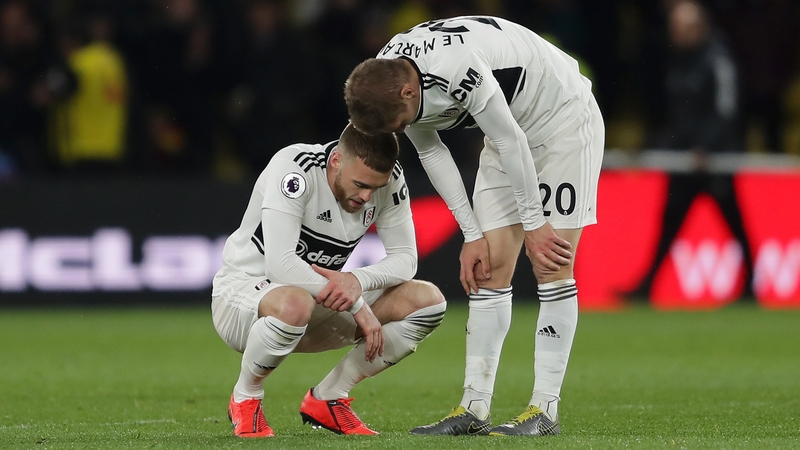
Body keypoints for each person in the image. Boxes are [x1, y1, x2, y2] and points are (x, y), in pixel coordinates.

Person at [344, 15, 605, 436]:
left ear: (410, 92)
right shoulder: (388, 77)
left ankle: (545, 411)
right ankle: (474, 408)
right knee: (488, 269)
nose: (404, 130)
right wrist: (470, 232)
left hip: (561, 120)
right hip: (508, 132)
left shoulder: (455, 66)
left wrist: (535, 223)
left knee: (551, 263)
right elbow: (431, 152)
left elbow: (508, 139)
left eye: (402, 122)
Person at [211, 123, 446, 438]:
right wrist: (358, 303)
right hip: (242, 300)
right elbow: (280, 265)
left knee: (427, 301)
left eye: (375, 188)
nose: (366, 196)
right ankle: (246, 397)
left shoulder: (387, 180)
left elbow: (406, 259)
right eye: (360, 184)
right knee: (294, 300)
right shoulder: (295, 168)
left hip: (317, 305)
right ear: (336, 160)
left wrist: (356, 280)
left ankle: (329, 397)